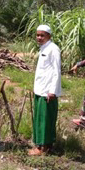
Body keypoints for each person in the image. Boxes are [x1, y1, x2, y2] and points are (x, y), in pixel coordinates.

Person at [28, 25, 61, 156]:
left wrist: (52, 91)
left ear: (49, 36)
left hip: (47, 92)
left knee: (45, 120)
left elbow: (56, 71)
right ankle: (43, 145)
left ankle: (43, 148)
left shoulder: (53, 49)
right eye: (38, 35)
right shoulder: (44, 48)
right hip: (40, 90)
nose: (39, 38)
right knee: (40, 118)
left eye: (42, 35)